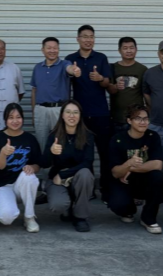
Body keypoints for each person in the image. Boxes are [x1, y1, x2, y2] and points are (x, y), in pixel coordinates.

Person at [64, 26, 112, 198]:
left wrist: (100, 79)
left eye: (91, 36)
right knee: (84, 154)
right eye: (85, 36)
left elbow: (107, 82)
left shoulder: (101, 58)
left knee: (105, 153)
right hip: (79, 115)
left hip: (101, 113)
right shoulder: (70, 59)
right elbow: (65, 82)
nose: (88, 40)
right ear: (78, 39)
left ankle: (106, 189)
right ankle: (88, 190)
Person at [107, 105, 163, 235]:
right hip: (124, 182)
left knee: (158, 177)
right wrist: (128, 164)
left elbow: (158, 164)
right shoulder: (118, 139)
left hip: (143, 179)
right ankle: (128, 210)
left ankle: (148, 218)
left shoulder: (153, 136)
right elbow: (115, 172)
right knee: (117, 203)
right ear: (129, 120)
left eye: (145, 119)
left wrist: (131, 168)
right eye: (138, 118)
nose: (143, 122)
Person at [41, 100, 95, 233]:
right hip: (57, 180)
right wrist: (51, 152)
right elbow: (44, 163)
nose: (72, 116)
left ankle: (81, 217)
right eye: (68, 112)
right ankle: (68, 207)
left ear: (80, 116)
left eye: (75, 112)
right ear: (62, 115)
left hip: (76, 178)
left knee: (85, 174)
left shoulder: (88, 135)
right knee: (57, 205)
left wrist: (63, 175)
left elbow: (88, 162)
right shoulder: (54, 135)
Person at [0, 104, 42, 233]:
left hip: (22, 185)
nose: (15, 121)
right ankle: (9, 205)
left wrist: (32, 167)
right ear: (5, 120)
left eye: (18, 117)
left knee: (29, 177)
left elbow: (38, 164)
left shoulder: (30, 139)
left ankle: (29, 217)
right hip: (3, 185)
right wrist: (3, 153)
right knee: (6, 218)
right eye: (11, 117)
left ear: (23, 118)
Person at [31, 37, 80, 154]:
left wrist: (75, 70)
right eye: (49, 48)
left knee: (60, 143)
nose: (52, 51)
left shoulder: (64, 64)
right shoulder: (37, 68)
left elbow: (70, 69)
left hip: (59, 110)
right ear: (42, 50)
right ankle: (45, 166)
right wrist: (33, 112)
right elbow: (34, 91)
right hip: (40, 110)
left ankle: (60, 167)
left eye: (55, 48)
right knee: (42, 145)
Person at [108, 37, 148, 134]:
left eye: (131, 48)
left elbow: (146, 93)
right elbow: (109, 90)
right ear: (119, 50)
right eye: (125, 48)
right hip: (117, 118)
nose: (129, 51)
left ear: (136, 49)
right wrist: (116, 86)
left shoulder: (143, 69)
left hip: (137, 118)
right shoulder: (112, 68)